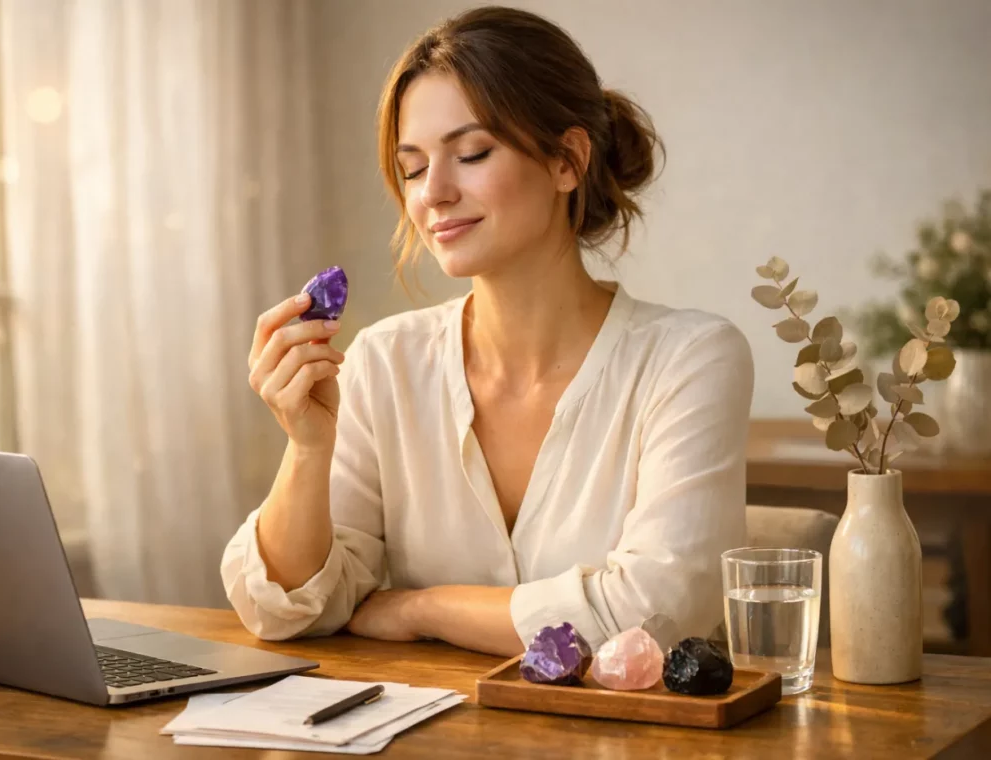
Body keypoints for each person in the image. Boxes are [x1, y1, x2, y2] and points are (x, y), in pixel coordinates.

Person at [221, 5, 754, 658]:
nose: (433, 193)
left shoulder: (691, 360)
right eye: (413, 168)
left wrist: (423, 607)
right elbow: (284, 609)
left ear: (567, 160)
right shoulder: (385, 361)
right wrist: (306, 448)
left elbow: (651, 617)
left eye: (471, 153)